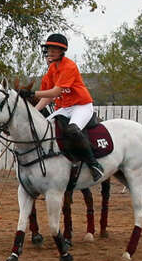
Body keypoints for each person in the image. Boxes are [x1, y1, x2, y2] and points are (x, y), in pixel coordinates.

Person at [19, 33, 105, 181]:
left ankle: (94, 164)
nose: (50, 52)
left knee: (72, 130)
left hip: (82, 105)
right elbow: (49, 97)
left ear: (61, 51)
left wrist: (32, 93)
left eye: (54, 49)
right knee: (45, 127)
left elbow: (56, 91)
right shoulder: (52, 69)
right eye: (49, 49)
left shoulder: (69, 66)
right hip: (66, 107)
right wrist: (33, 112)